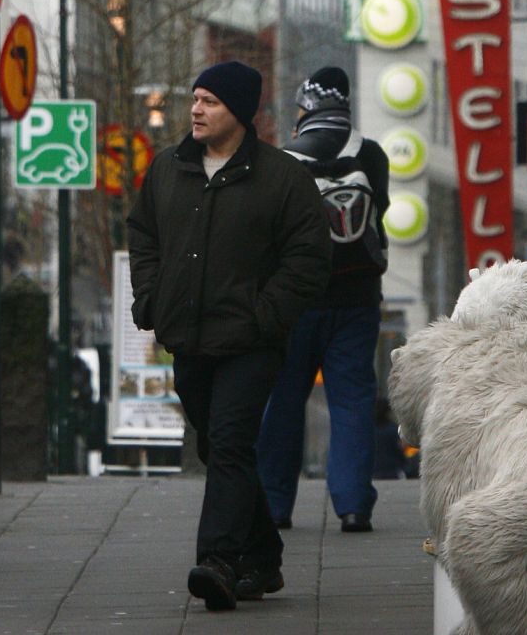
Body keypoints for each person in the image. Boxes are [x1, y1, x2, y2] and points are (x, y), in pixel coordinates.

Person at [127, 60, 331, 611]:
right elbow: (143, 234)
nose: (196, 109)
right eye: (195, 98)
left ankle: (218, 560)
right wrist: (150, 297)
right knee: (219, 446)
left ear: (240, 113)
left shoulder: (281, 177)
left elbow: (309, 257)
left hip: (251, 342)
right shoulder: (168, 169)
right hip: (188, 337)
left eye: (209, 101)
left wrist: (266, 316)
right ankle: (262, 557)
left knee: (231, 441)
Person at [256, 66, 390, 534]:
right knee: (352, 400)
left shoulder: (282, 159)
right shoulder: (371, 154)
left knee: (283, 399)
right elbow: (380, 212)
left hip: (296, 301)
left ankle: (275, 504)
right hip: (357, 298)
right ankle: (353, 505)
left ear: (306, 107)